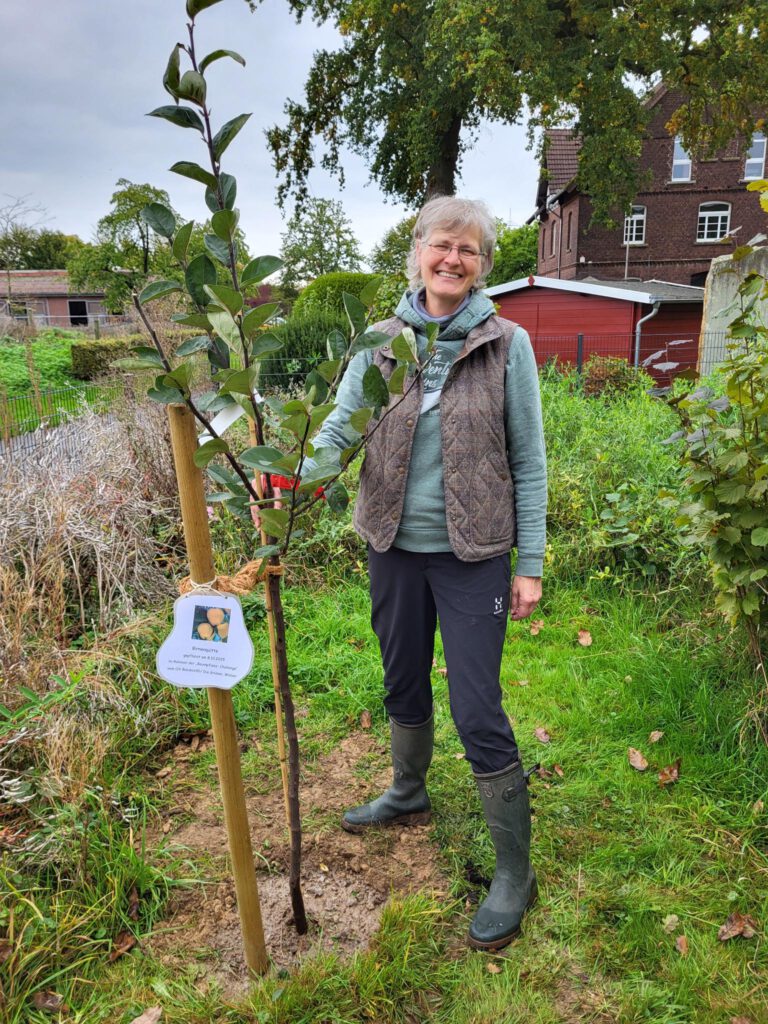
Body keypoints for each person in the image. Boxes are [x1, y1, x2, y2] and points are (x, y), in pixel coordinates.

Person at [308, 195, 547, 950]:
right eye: (442, 245)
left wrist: (530, 563)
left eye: (469, 251)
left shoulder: (508, 345)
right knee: (401, 678)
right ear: (417, 252)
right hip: (392, 546)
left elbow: (529, 460)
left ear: (482, 265)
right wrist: (289, 480)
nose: (453, 260)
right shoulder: (380, 341)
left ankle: (515, 872)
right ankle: (408, 790)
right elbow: (343, 426)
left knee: (478, 707)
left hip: (474, 555)